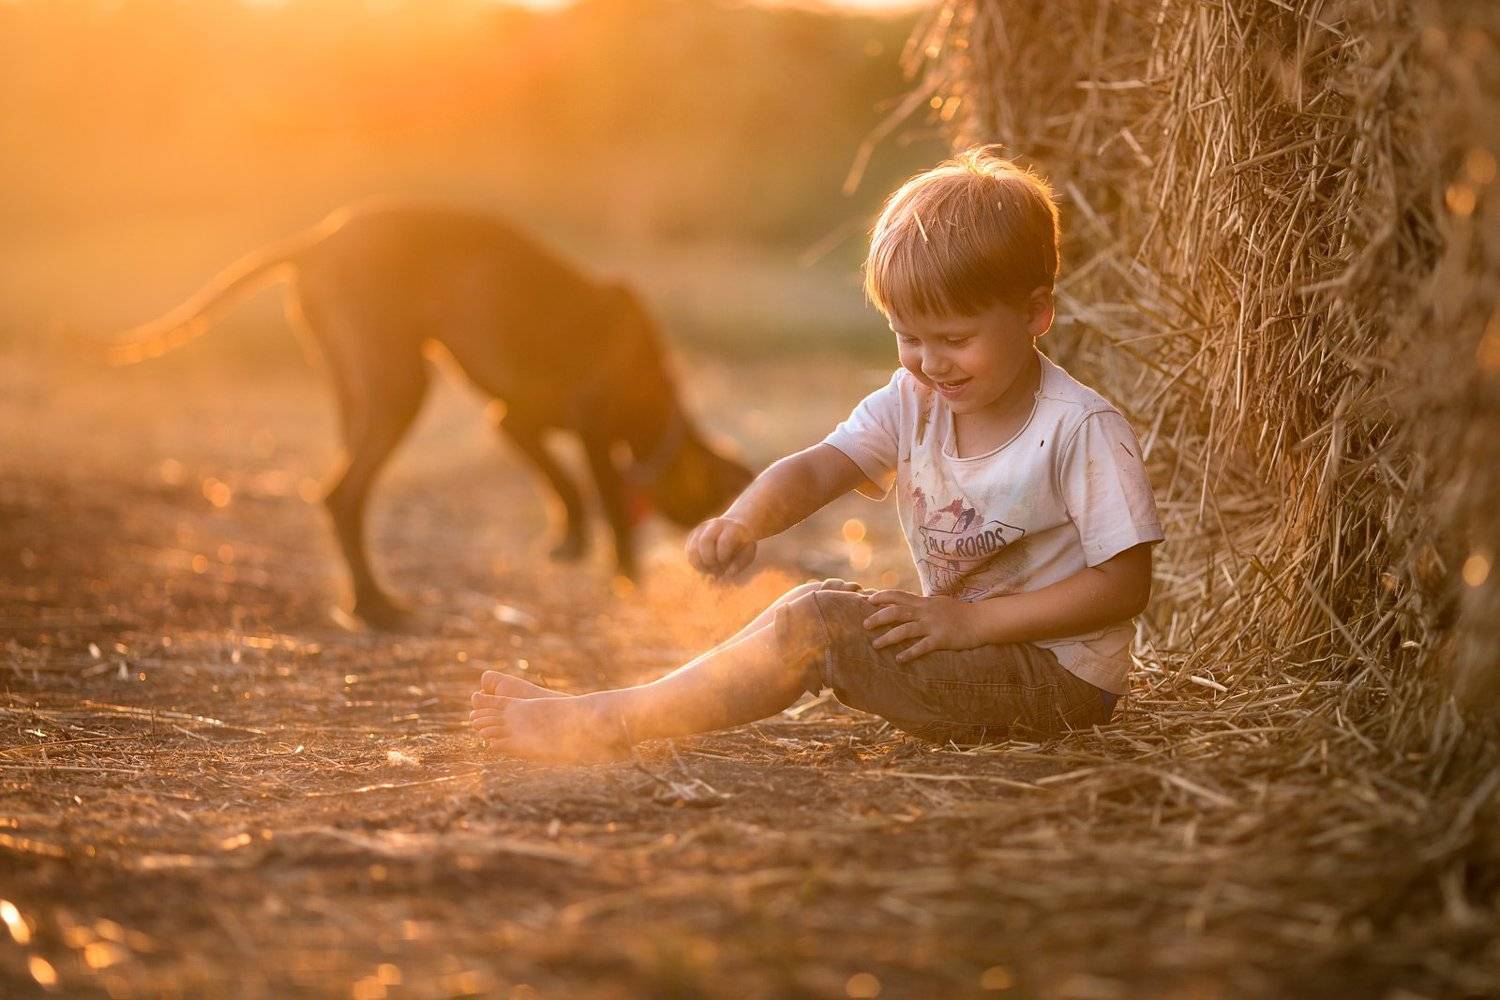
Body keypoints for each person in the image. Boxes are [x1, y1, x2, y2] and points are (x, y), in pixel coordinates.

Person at [469, 147, 1164, 762]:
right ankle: (618, 706)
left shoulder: (1080, 429)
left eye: (953, 338)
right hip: (968, 646)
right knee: (814, 602)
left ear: (1036, 313)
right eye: (908, 337)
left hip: (1056, 684)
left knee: (818, 626)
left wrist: (972, 622)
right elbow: (819, 466)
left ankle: (612, 720)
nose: (929, 362)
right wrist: (744, 520)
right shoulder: (914, 399)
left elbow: (1123, 586)